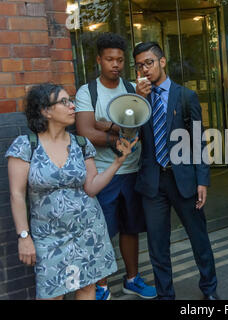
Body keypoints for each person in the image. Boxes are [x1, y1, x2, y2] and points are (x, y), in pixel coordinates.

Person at [6, 83, 136, 300]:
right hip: (48, 238)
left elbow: (91, 187)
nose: (72, 107)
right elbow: (16, 196)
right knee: (52, 294)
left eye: (71, 101)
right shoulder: (26, 146)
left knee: (87, 289)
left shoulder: (81, 143)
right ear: (45, 110)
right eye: (64, 102)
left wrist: (118, 161)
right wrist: (24, 236)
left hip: (88, 231)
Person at [133, 41, 219, 300]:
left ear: (162, 61)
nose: (145, 69)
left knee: (199, 239)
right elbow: (128, 132)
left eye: (149, 62)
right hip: (152, 181)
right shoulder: (138, 98)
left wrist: (202, 180)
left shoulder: (185, 96)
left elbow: (198, 140)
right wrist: (139, 101)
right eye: (139, 66)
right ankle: (165, 295)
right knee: (157, 245)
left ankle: (210, 290)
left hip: (183, 179)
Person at [75, 33, 156, 300]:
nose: (116, 64)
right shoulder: (88, 92)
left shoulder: (133, 88)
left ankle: (132, 279)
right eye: (110, 59)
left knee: (131, 229)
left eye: (120, 60)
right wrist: (116, 135)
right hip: (102, 174)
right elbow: (85, 132)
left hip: (132, 171)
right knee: (101, 233)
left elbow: (142, 126)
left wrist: (105, 125)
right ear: (99, 60)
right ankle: (100, 286)